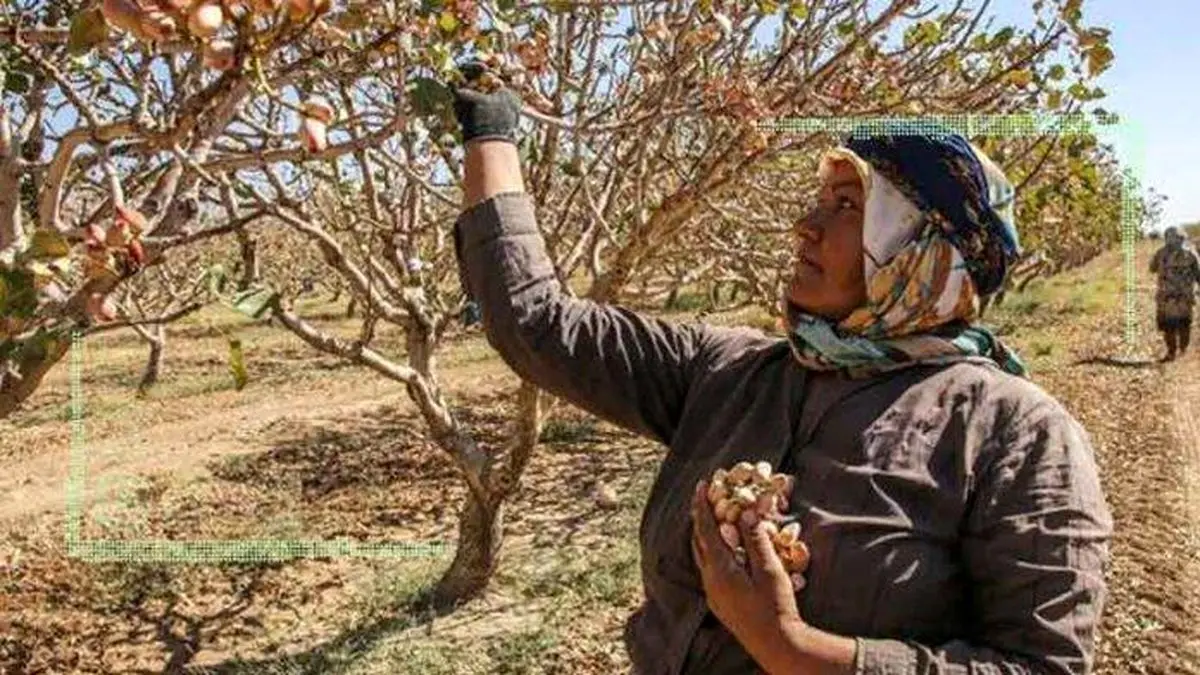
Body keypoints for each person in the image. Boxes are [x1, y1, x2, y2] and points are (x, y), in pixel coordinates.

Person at [448, 64, 1112, 675]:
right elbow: (536, 324)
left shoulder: (1016, 434)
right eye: (818, 199)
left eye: (848, 205)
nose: (804, 224)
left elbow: (1041, 664)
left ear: (923, 253)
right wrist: (492, 132)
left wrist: (792, 649)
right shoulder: (731, 371)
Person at [1149, 226, 1200, 361]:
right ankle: (1183, 351)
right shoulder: (1191, 253)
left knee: (1168, 326)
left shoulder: (1160, 253)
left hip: (1166, 296)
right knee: (1184, 324)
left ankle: (1172, 352)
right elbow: (1198, 274)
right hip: (1185, 296)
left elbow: (1152, 268)